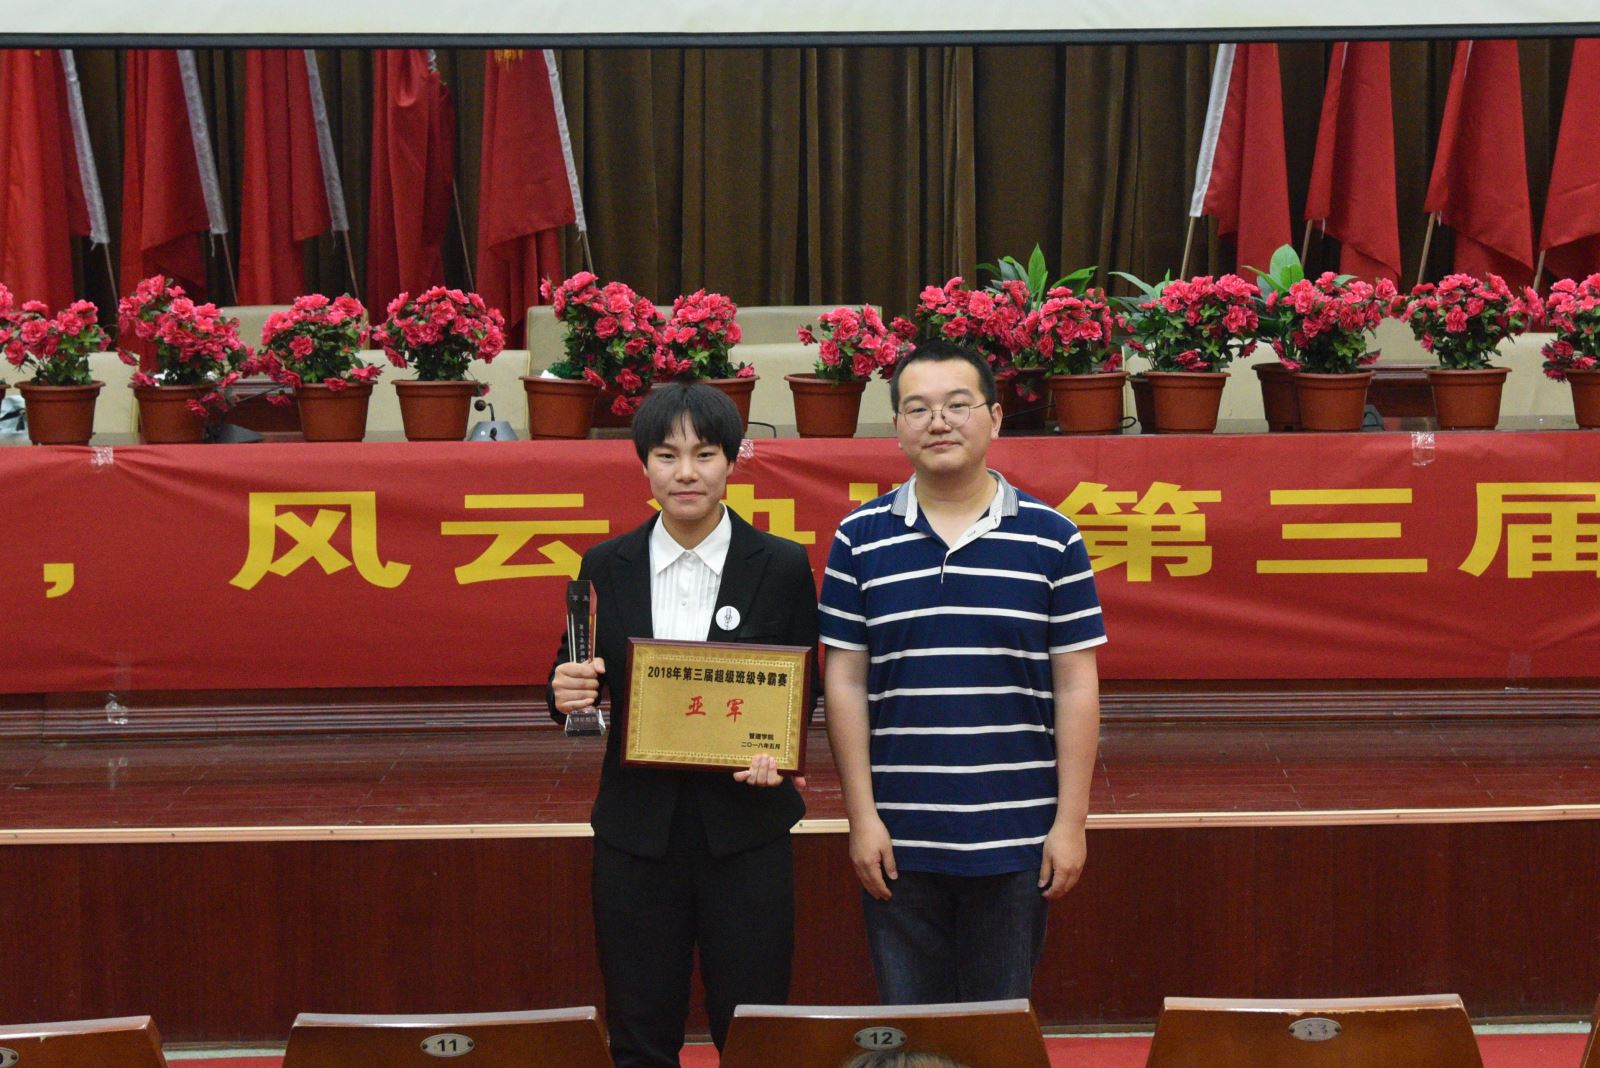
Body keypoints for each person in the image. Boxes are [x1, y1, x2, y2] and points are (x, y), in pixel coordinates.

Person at [819, 339, 1106, 1004]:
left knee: (997, 1031)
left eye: (957, 405)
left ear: (995, 417)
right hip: (899, 838)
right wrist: (862, 818)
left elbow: (1076, 685)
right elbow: (845, 683)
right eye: (918, 409)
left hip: (1017, 835)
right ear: (897, 426)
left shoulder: (1052, 538)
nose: (939, 422)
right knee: (914, 1034)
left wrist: (1071, 822)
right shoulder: (859, 538)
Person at [547, 382, 820, 1068]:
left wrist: (778, 752)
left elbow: (802, 688)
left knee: (756, 1033)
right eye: (667, 456)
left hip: (747, 828)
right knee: (639, 1032)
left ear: (733, 460)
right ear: (644, 464)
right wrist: (565, 691)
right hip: (637, 832)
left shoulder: (782, 564)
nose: (686, 472)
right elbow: (577, 672)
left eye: (705, 454)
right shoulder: (606, 564)